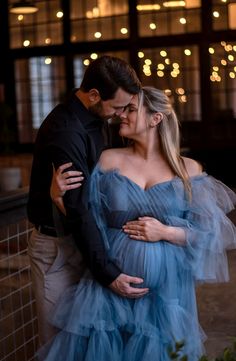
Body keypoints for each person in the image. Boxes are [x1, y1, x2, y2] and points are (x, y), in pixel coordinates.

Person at [39, 86, 236, 361]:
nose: (121, 115)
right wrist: (58, 199)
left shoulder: (188, 169)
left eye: (130, 110)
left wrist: (165, 231)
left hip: (166, 295)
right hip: (108, 286)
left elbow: (210, 235)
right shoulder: (107, 160)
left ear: (155, 118)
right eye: (122, 109)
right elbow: (87, 220)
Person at [27, 55, 149, 346]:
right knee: (57, 342)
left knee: (90, 340)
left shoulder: (101, 119)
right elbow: (79, 208)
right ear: (94, 95)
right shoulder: (65, 130)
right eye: (118, 107)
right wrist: (108, 274)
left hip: (88, 241)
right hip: (56, 248)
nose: (121, 114)